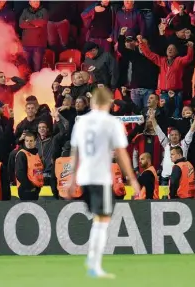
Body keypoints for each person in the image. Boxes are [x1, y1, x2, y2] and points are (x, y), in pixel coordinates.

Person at [67, 87, 140, 278]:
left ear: (92, 104)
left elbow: (75, 153)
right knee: (102, 220)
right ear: (108, 103)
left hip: (84, 177)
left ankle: (93, 260)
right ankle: (94, 264)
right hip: (100, 177)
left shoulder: (81, 123)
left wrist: (72, 179)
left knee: (98, 219)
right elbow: (122, 154)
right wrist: (132, 179)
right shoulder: (111, 123)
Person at [15, 132, 44, 200]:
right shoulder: (22, 154)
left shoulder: (36, 154)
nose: (29, 143)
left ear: (35, 142)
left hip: (36, 188)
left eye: (31, 141)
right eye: (27, 141)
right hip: (26, 189)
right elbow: (19, 174)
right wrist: (31, 187)